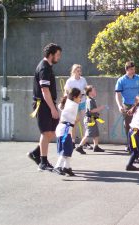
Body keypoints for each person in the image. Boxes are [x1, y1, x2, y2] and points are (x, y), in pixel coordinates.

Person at [27, 43, 62, 171]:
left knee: (52, 131)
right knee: (46, 132)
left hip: (48, 103)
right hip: (43, 105)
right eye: (57, 55)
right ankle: (43, 162)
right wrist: (53, 108)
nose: (59, 57)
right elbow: (45, 91)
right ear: (51, 55)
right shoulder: (44, 68)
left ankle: (36, 153)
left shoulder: (48, 67)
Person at [115, 61, 139, 153]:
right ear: (127, 70)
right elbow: (117, 94)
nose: (133, 71)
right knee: (128, 125)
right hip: (127, 105)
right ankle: (129, 144)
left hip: (137, 105)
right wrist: (120, 106)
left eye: (134, 69)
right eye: (131, 69)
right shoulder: (121, 80)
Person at [54, 88, 82, 176]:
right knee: (66, 150)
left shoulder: (69, 103)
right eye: (79, 96)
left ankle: (66, 167)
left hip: (66, 129)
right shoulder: (73, 104)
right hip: (64, 130)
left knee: (69, 149)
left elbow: (60, 106)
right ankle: (58, 166)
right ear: (74, 97)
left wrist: (66, 95)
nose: (81, 98)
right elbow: (77, 119)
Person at [75, 85, 106, 154]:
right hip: (89, 120)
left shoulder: (91, 100)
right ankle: (79, 147)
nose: (95, 91)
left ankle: (96, 146)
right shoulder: (89, 100)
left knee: (96, 133)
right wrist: (100, 108)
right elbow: (91, 110)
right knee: (88, 134)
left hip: (92, 119)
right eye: (94, 90)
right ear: (90, 92)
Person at [64, 64, 88, 148]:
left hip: (83, 102)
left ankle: (84, 142)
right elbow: (67, 92)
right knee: (74, 122)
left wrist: (83, 94)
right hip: (74, 104)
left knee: (85, 121)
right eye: (77, 71)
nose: (79, 72)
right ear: (73, 71)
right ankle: (72, 141)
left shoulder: (83, 80)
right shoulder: (70, 81)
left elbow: (86, 89)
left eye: (80, 70)